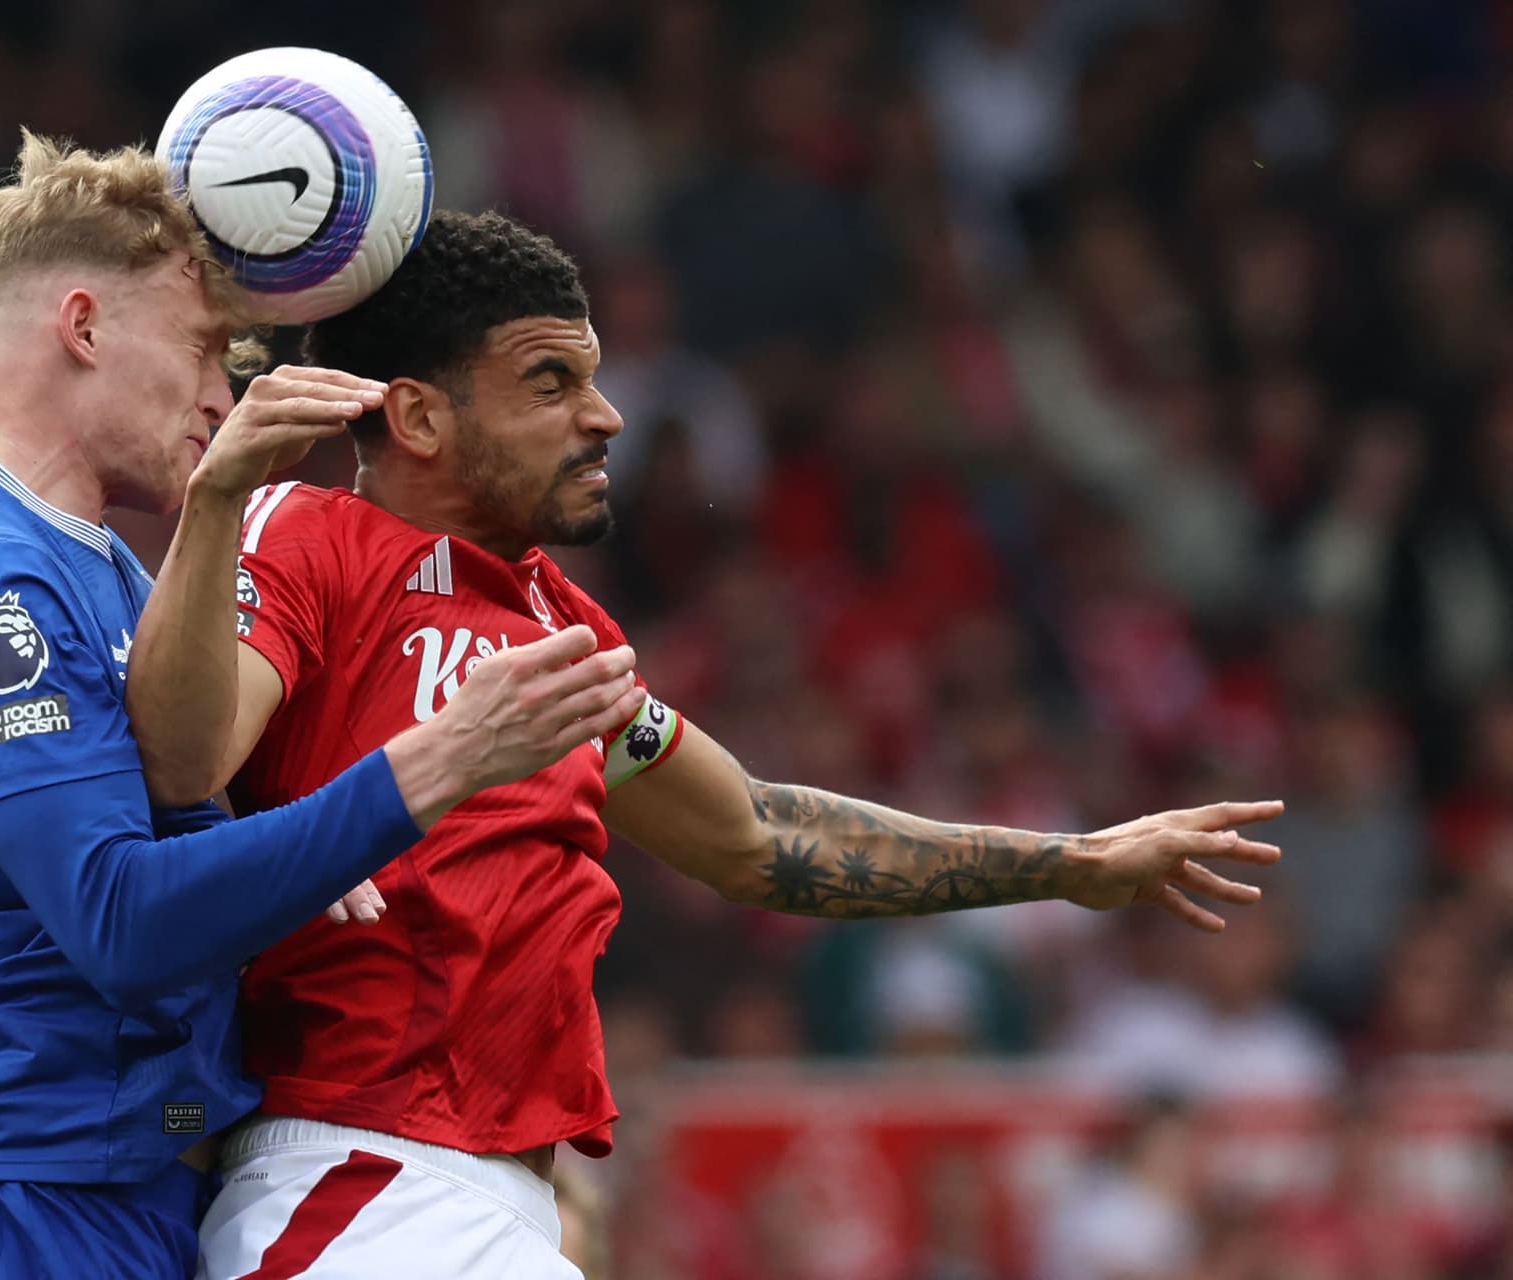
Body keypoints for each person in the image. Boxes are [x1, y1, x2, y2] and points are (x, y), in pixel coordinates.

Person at [124, 210, 1285, 1279]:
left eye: (590, 375)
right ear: (420, 415)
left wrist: (1069, 866)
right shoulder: (314, 534)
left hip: (495, 1200)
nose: (605, 412)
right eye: (550, 380)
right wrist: (220, 501)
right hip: (359, 1178)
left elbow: (755, 832)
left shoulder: (562, 629)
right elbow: (183, 760)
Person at [0, 140, 645, 1280]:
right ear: (82, 326)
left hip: (127, 1194)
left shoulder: (95, 569)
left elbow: (163, 843)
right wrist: (421, 772)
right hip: (31, 1209)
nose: (223, 394)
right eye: (199, 349)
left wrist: (274, 859)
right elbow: (121, 919)